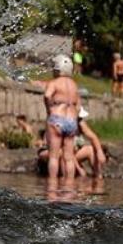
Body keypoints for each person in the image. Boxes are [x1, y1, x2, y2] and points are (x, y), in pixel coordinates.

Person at [44, 54, 81, 183]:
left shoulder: (54, 82)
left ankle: (52, 188)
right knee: (69, 157)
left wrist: (49, 110)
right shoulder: (74, 85)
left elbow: (47, 95)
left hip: (57, 118)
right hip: (71, 121)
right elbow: (78, 105)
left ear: (57, 69)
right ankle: (69, 187)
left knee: (53, 156)